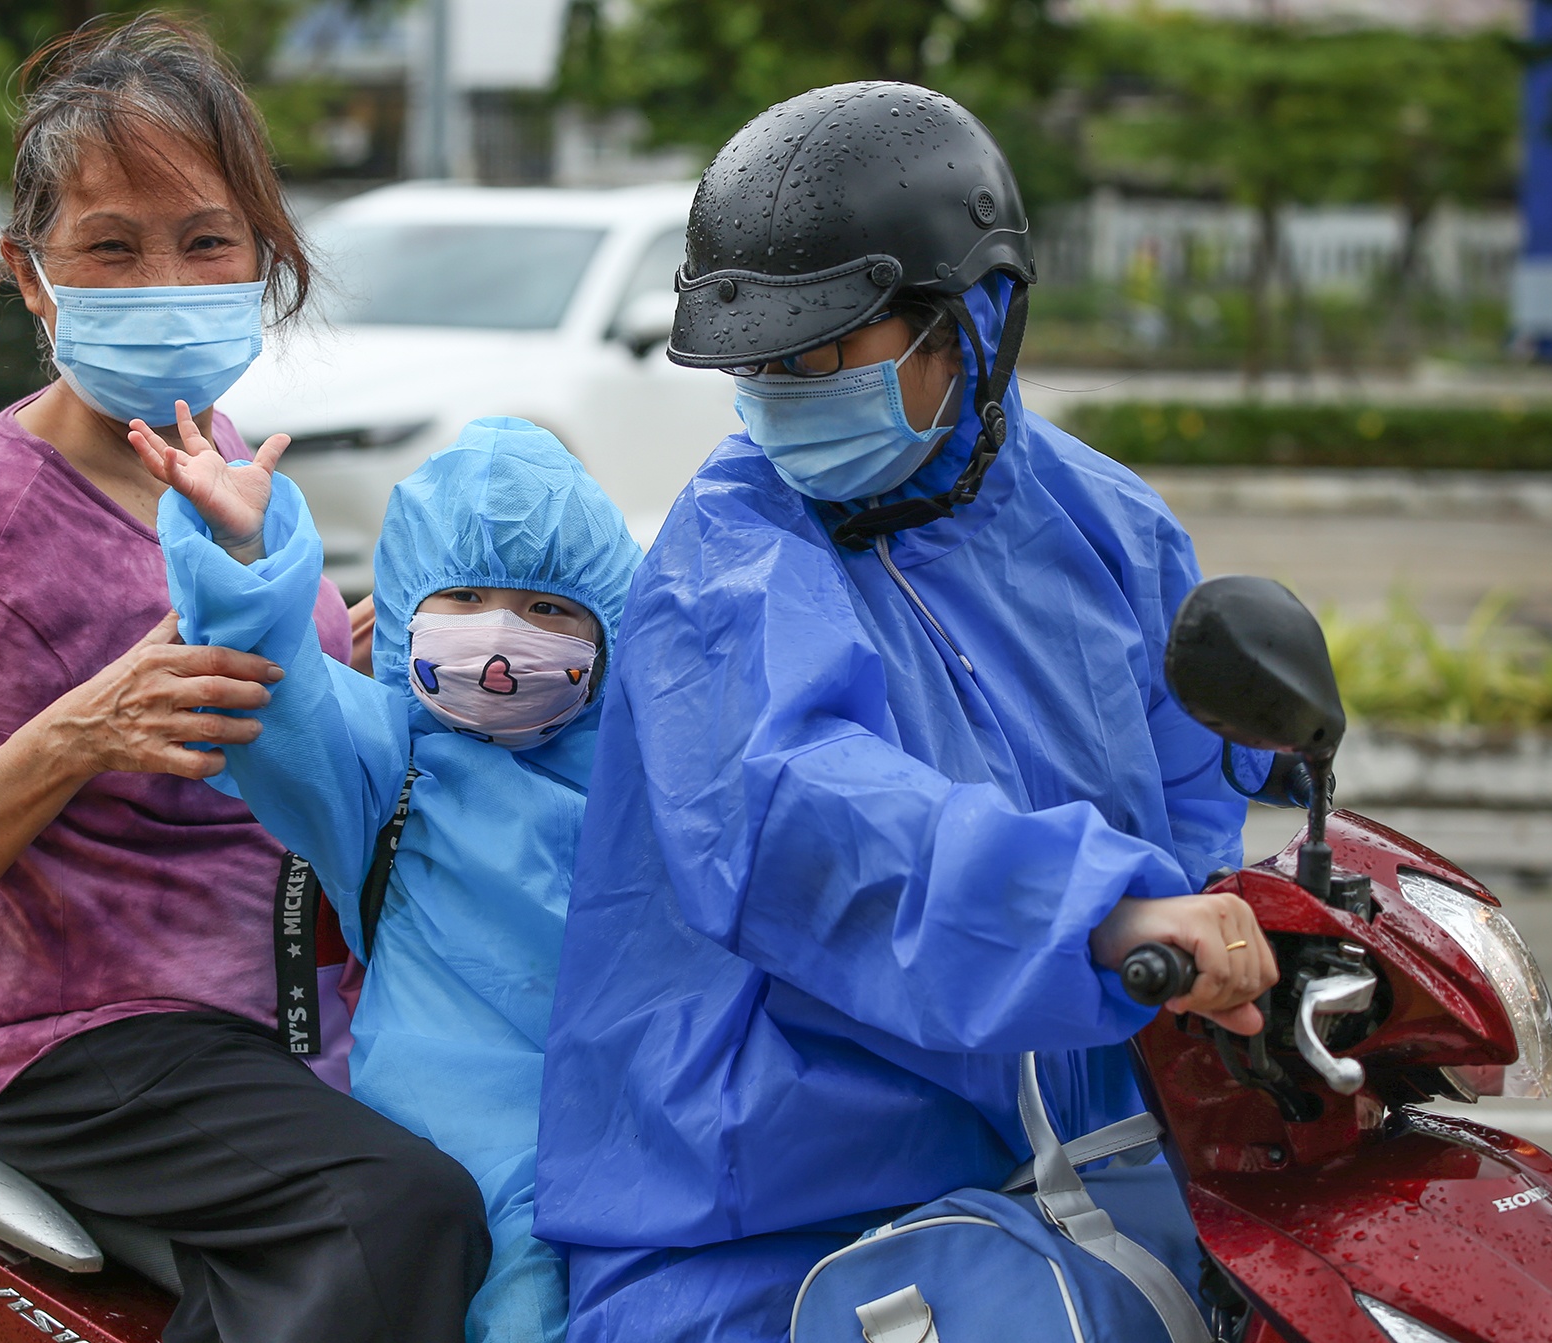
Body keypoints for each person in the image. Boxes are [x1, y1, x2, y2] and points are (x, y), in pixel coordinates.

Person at [532, 82, 1279, 1342]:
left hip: (1088, 1171)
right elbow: (805, 817)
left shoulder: (1107, 524)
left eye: (820, 351)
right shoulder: (729, 557)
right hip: (766, 1212)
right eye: (757, 361)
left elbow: (1199, 785)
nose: (779, 392)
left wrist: (1242, 917)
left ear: (971, 327)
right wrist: (1095, 911)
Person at [0, 16, 488, 1343]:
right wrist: (74, 731)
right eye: (110, 246)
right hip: (97, 1043)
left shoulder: (216, 449)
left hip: (288, 1012)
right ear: (36, 277)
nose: (165, 280)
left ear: (262, 260)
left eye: (205, 239)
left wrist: (349, 662)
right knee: (403, 1210)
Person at [130, 410, 640, 1343]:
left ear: (614, 618)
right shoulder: (381, 761)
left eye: (550, 610)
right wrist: (247, 551)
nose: (501, 643)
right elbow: (285, 701)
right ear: (406, 607)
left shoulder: (651, 769)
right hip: (465, 1159)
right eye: (466, 596)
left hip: (644, 1134)